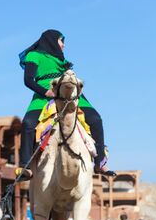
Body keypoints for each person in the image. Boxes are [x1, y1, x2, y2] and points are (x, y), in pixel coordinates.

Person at [15, 29, 116, 181]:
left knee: (96, 119)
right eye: (61, 41)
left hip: (69, 92)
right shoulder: (34, 55)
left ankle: (99, 163)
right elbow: (28, 80)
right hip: (45, 93)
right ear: (51, 40)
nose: (63, 45)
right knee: (28, 123)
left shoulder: (62, 60)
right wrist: (45, 92)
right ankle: (26, 167)